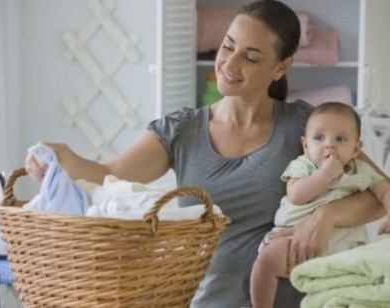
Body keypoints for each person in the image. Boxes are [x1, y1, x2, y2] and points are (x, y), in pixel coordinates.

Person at [25, 1, 386, 307]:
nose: (229, 64)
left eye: (251, 56)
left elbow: (378, 191)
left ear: (281, 67)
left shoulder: (307, 127)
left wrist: (326, 215)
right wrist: (60, 157)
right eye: (227, 46)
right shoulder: (182, 130)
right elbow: (107, 173)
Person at [250, 102, 390, 308]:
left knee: (351, 288)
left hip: (346, 245)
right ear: (306, 145)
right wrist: (324, 174)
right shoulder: (303, 165)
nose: (329, 145)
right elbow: (297, 195)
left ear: (356, 148)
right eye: (319, 138)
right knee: (266, 261)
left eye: (340, 139)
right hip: (294, 239)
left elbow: (385, 190)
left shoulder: (362, 170)